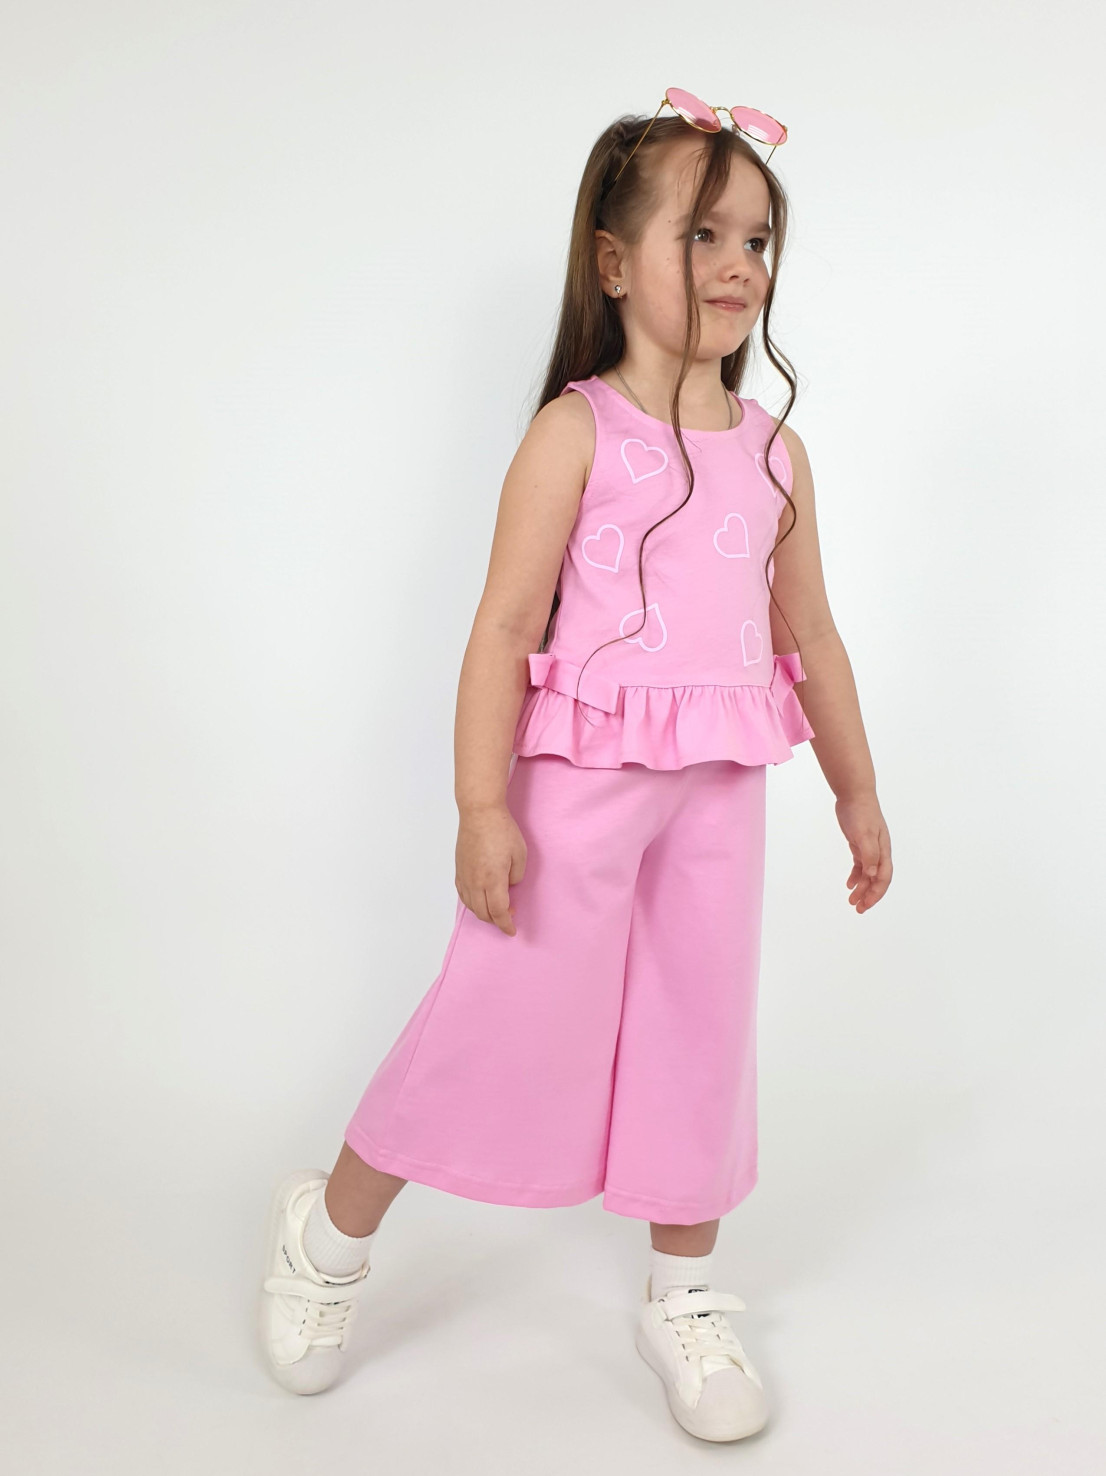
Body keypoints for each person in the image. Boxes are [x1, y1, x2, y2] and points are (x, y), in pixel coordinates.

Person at [257, 88, 892, 1443]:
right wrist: (479, 802)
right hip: (578, 792)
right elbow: (502, 625)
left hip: (719, 791)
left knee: (698, 1025)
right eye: (702, 235)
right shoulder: (575, 432)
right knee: (496, 1013)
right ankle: (328, 1233)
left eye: (758, 240)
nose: (738, 265)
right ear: (612, 262)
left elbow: (814, 635)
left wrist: (856, 787)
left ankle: (685, 1290)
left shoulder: (774, 456)